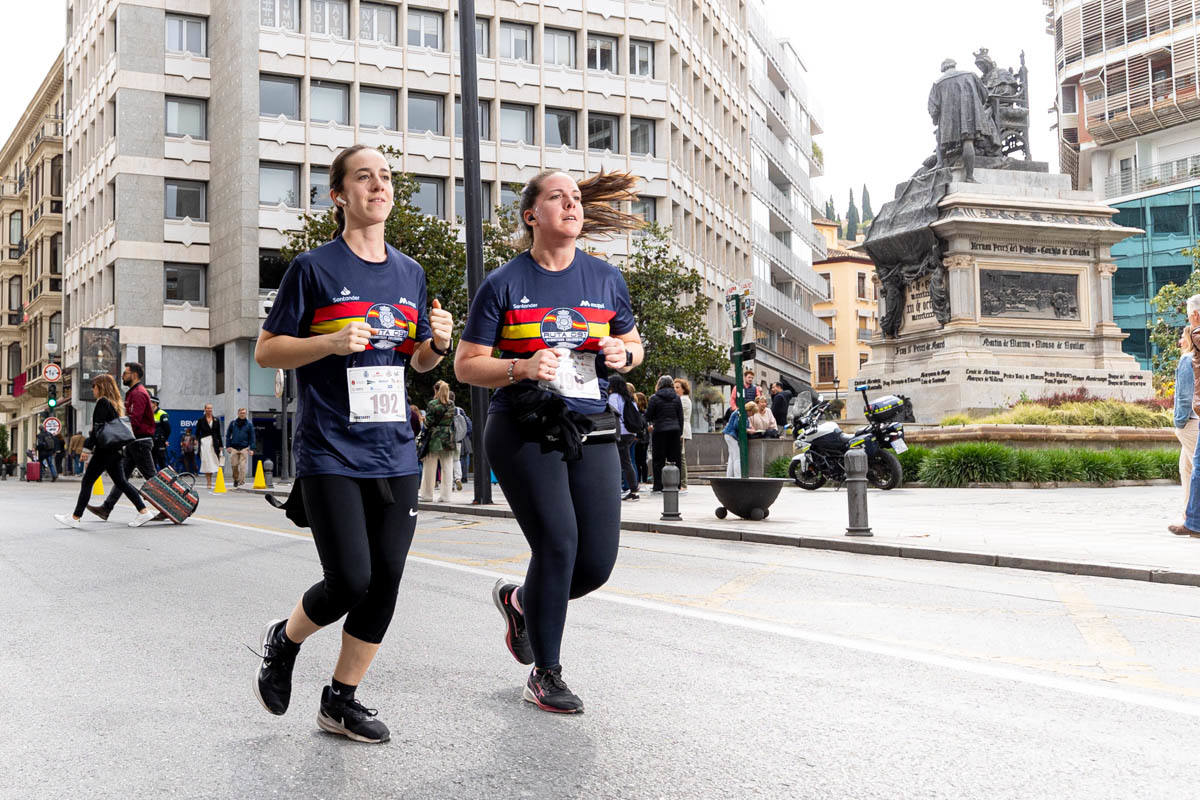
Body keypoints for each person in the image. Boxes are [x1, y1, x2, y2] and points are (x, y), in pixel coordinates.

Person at [250, 144, 453, 744]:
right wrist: (330, 343)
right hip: (331, 448)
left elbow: (414, 360)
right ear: (339, 194)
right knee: (350, 580)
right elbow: (268, 350)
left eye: (385, 176)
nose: (378, 185)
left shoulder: (410, 273)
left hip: (395, 449)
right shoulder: (313, 269)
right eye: (364, 177)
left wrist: (438, 343)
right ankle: (283, 641)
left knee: (386, 578)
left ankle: (341, 700)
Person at [455, 168, 644, 713]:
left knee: (595, 564)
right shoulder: (504, 283)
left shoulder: (606, 278)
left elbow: (634, 344)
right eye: (558, 198)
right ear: (531, 215)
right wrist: (520, 367)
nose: (572, 205)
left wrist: (622, 356)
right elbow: (468, 366)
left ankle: (520, 602)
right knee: (558, 544)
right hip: (524, 427)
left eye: (577, 198)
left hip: (592, 427)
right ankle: (546, 671)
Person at [54, 374, 154, 529]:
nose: (92, 390)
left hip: (105, 450)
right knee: (121, 482)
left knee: (88, 481)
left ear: (100, 387)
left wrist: (87, 448)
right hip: (114, 450)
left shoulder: (102, 402)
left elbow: (97, 430)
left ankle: (75, 517)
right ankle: (143, 511)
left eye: (94, 386)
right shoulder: (115, 404)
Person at [91, 362, 157, 519]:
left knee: (152, 478)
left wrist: (118, 432)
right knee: (121, 478)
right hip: (133, 442)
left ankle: (169, 506)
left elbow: (135, 420)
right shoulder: (133, 392)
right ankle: (106, 508)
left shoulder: (139, 393)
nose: (122, 376)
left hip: (140, 441)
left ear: (134, 375)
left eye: (125, 373)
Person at [1175, 327, 1199, 529]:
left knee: (1195, 470)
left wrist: (1179, 423)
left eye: (1182, 337)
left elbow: (1184, 395)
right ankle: (1189, 518)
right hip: (1194, 422)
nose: (1180, 341)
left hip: (1190, 423)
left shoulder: (1187, 360)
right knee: (1187, 469)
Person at [419, 380, 457, 503]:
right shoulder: (452, 404)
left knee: (429, 467)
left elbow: (428, 422)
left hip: (434, 438)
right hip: (448, 438)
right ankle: (446, 496)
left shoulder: (432, 404)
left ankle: (427, 495)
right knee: (447, 467)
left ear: (436, 390)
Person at [645, 374, 684, 493]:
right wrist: (680, 431)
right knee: (675, 459)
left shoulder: (654, 398)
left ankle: (658, 485)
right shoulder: (677, 398)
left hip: (660, 431)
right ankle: (676, 485)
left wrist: (652, 423)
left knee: (658, 460)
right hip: (674, 431)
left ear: (659, 384)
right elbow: (680, 417)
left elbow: (649, 416)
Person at [608, 373, 640, 501]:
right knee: (626, 461)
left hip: (620, 432)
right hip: (631, 433)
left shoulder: (614, 397)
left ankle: (631, 489)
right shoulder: (629, 398)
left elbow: (613, 414)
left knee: (621, 461)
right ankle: (632, 489)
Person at [226, 407, 257, 488]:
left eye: (244, 413)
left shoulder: (249, 424)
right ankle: (236, 479)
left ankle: (241, 481)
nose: (242, 414)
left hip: (244, 448)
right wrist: (228, 446)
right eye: (241, 413)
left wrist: (252, 449)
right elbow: (228, 435)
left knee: (243, 466)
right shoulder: (233, 423)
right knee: (234, 465)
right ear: (238, 414)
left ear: (246, 414)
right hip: (234, 448)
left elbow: (252, 437)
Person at [196, 404, 223, 490]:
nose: (209, 409)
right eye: (208, 408)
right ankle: (209, 482)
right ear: (205, 409)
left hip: (214, 443)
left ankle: (211, 480)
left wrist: (221, 445)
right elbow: (197, 432)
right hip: (204, 442)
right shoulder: (200, 420)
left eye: (211, 408)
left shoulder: (216, 420)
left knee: (212, 462)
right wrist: (197, 441)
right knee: (206, 462)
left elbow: (219, 433)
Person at [449, 391, 472, 490]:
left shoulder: (444, 408)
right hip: (458, 439)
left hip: (447, 439)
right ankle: (458, 478)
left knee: (447, 461)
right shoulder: (459, 410)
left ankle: (450, 483)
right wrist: (465, 435)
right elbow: (468, 424)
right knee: (456, 459)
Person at [674, 378, 692, 492]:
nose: (675, 389)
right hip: (681, 428)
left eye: (677, 387)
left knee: (681, 456)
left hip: (683, 429)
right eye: (674, 387)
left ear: (684, 389)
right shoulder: (681, 399)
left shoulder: (683, 400)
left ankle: (684, 483)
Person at [634, 391, 650, 484]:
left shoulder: (641, 413)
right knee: (640, 461)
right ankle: (640, 479)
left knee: (640, 461)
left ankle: (642, 480)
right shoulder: (644, 413)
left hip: (641, 440)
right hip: (644, 439)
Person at [151, 397, 171, 472]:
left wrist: (164, 440)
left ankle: (166, 480)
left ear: (155, 404)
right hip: (152, 441)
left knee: (161, 462)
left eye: (150, 402)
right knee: (152, 462)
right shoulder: (149, 413)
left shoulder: (162, 414)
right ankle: (155, 481)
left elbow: (168, 429)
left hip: (160, 442)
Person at [723, 406, 743, 478]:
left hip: (728, 434)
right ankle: (738, 476)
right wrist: (747, 428)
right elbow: (737, 425)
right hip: (732, 435)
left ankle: (729, 476)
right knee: (737, 457)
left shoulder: (737, 411)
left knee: (731, 457)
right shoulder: (740, 413)